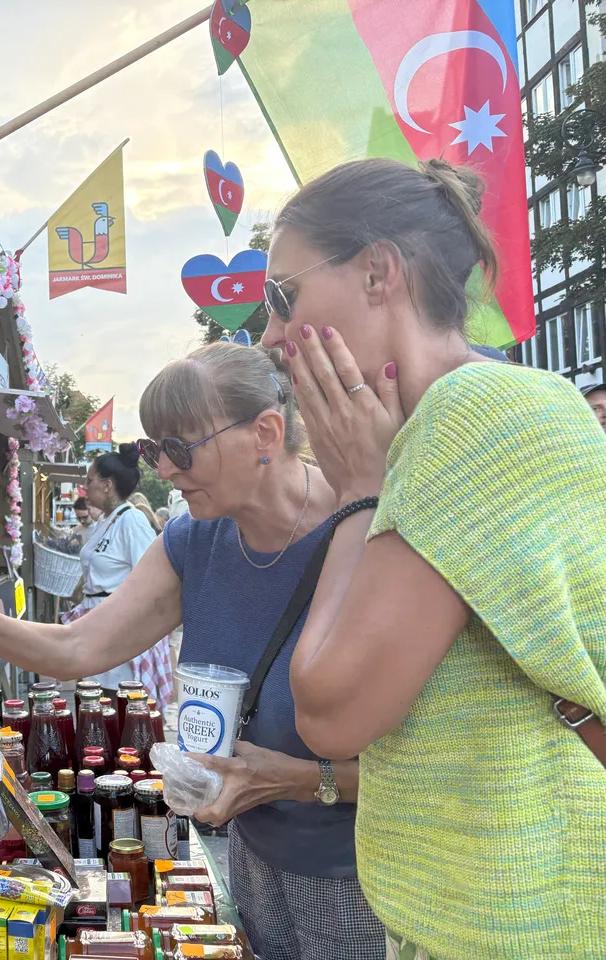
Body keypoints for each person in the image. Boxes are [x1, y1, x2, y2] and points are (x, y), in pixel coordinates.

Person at [0, 348, 385, 959]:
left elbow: (442, 757)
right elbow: (79, 647)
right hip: (253, 856)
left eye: (180, 449)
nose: (164, 468)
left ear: (264, 433)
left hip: (360, 874)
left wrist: (295, 782)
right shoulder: (195, 538)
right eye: (151, 450)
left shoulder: (365, 530)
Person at [262, 158, 606, 958]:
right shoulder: (483, 413)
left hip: (522, 926)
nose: (272, 333)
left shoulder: (473, 415)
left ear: (379, 272)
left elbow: (331, 714)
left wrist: (357, 492)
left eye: (285, 295)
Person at [64, 445, 171, 702]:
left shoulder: (131, 521)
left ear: (106, 485)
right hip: (96, 622)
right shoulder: (106, 520)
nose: (85, 486)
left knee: (112, 703)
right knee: (93, 702)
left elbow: (152, 582)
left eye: (89, 480)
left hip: (117, 627)